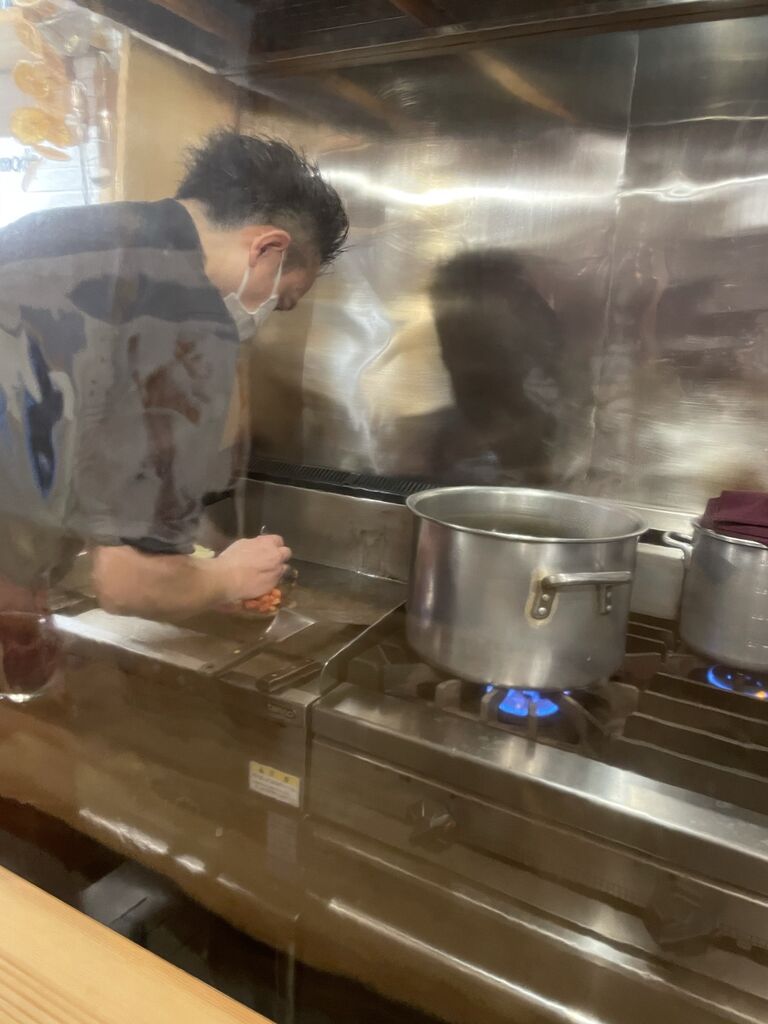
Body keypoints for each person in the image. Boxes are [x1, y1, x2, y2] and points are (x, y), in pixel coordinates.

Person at [0, 130, 348, 690]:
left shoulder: (44, 234)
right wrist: (221, 581)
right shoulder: (189, 321)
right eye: (282, 301)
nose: (266, 318)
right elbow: (129, 583)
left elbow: (63, 446)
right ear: (267, 249)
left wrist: (194, 553)